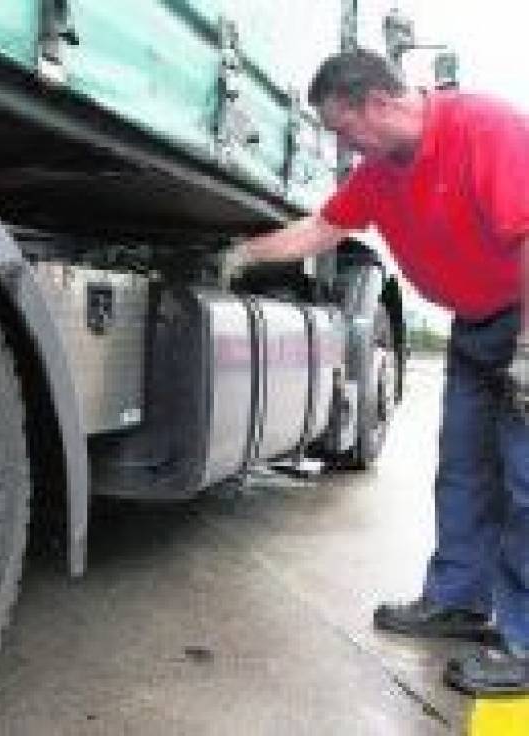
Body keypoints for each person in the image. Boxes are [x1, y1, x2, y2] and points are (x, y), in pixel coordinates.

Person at [228, 48, 529, 696]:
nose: (343, 144)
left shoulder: (485, 128)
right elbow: (320, 229)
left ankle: (526, 643)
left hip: (524, 317)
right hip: (478, 328)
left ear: (378, 103)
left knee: (526, 479)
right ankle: (459, 600)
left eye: (344, 128)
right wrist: (241, 255)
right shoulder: (380, 173)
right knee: (464, 472)